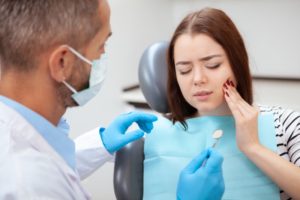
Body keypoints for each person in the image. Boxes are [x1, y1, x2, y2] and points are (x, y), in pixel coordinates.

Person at [0, 0, 223, 199]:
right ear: (62, 63)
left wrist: (102, 143)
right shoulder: (28, 185)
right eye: (101, 46)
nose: (102, 57)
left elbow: (54, 165)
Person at [143, 7, 300, 200]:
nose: (198, 79)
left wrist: (253, 147)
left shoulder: (285, 123)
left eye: (213, 65)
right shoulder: (152, 135)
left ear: (237, 63)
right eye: (184, 70)